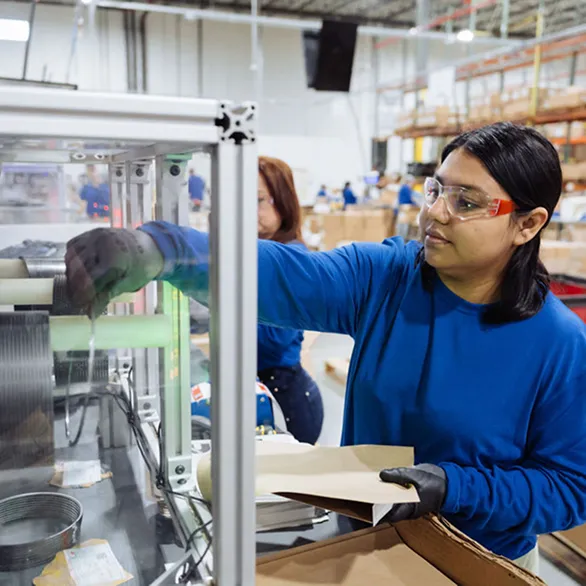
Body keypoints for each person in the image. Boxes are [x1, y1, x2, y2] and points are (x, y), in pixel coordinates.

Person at [65, 123, 586, 574]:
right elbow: (287, 275)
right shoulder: (388, 278)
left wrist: (456, 488)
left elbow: (569, 488)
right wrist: (161, 249)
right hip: (366, 541)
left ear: (527, 223)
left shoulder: (557, 344)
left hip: (474, 562)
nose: (437, 214)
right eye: (436, 191)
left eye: (466, 203)